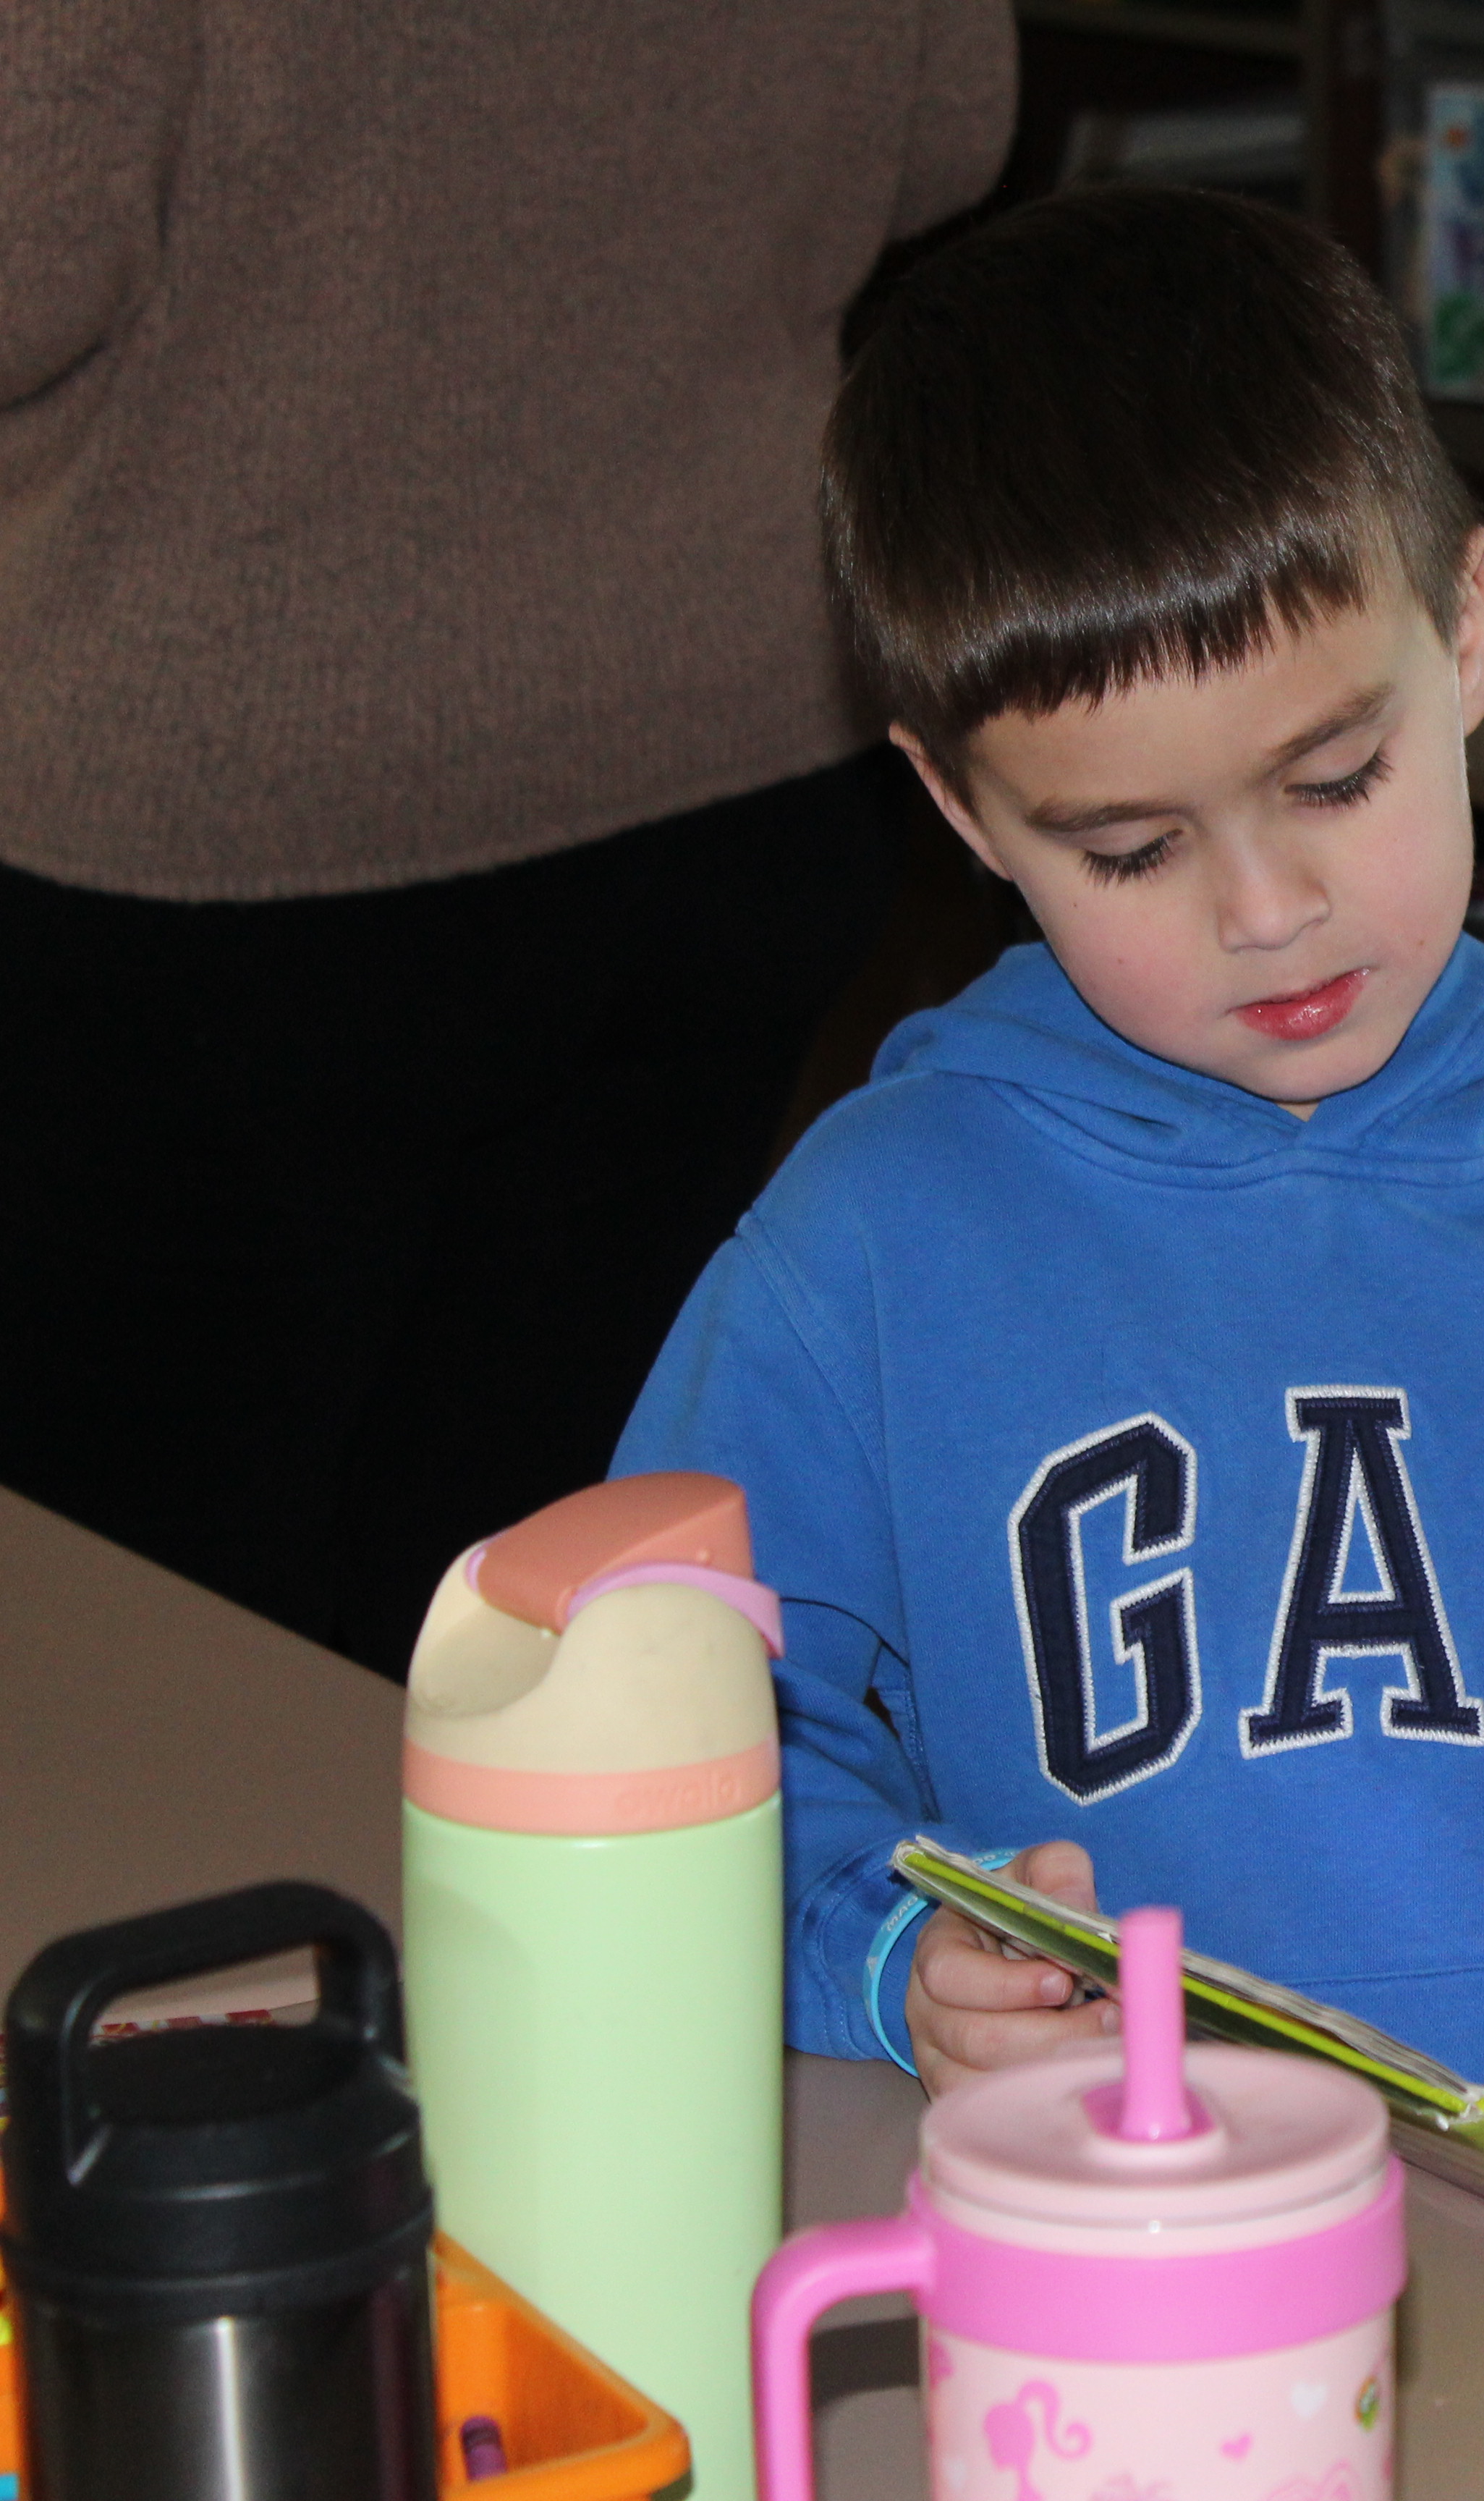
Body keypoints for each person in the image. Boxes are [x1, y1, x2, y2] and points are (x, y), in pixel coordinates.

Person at [613, 190, 1484, 2092]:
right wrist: (879, 1952)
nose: (1267, 910)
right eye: (1130, 848)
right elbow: (653, 1747)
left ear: (1470, 631)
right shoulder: (864, 1251)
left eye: (1335, 778)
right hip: (1124, 2285)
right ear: (959, 805)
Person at [0, 0, 1014, 1678]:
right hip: (727, 739)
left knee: (134, 1657)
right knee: (512, 1613)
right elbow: (952, 119)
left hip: (222, 828)